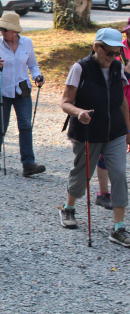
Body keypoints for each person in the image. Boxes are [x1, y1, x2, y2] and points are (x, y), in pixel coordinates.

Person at [59, 28, 130, 247]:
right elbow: (65, 102)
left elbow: (122, 102)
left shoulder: (118, 68)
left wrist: (128, 131)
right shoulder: (80, 68)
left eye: (116, 53)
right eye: (109, 52)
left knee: (118, 173)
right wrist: (78, 112)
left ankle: (119, 228)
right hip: (88, 132)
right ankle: (69, 208)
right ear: (97, 47)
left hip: (115, 131)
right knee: (83, 174)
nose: (112, 57)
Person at [0, 12, 46, 177]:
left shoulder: (27, 43)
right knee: (2, 125)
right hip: (1, 89)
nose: (2, 32)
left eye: (5, 29)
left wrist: (38, 77)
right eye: (0, 29)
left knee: (25, 125)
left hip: (22, 89)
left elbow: (32, 65)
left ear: (15, 30)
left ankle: (28, 164)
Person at [95, 20, 130, 209]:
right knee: (107, 154)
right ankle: (103, 192)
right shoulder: (117, 51)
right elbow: (109, 75)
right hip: (118, 107)